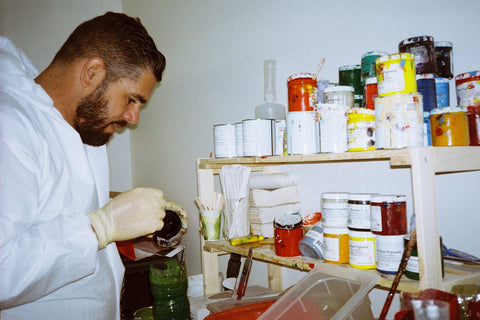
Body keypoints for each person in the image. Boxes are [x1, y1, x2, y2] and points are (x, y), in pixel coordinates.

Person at [0, 12, 169, 319]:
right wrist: (101, 226)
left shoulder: (84, 127)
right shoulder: (9, 126)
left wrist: (128, 221)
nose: (133, 118)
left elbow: (58, 210)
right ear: (92, 72)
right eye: (131, 99)